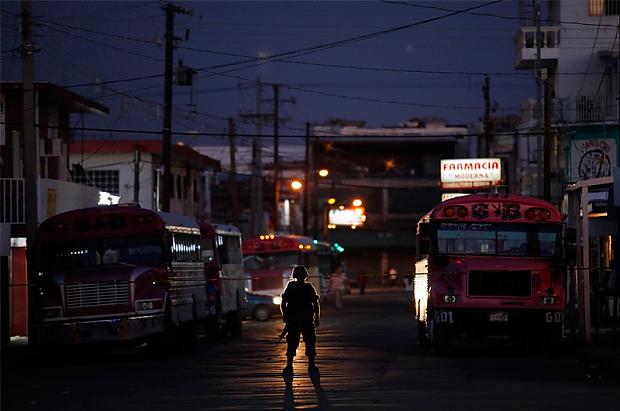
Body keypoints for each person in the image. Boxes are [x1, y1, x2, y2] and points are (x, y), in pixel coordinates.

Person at [280, 265, 321, 373]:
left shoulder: (291, 286)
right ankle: (311, 365)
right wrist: (317, 317)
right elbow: (315, 303)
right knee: (310, 341)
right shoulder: (309, 287)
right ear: (305, 276)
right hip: (307, 319)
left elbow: (283, 303)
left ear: (294, 275)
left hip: (293, 320)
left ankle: (289, 366)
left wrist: (285, 315)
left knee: (292, 342)